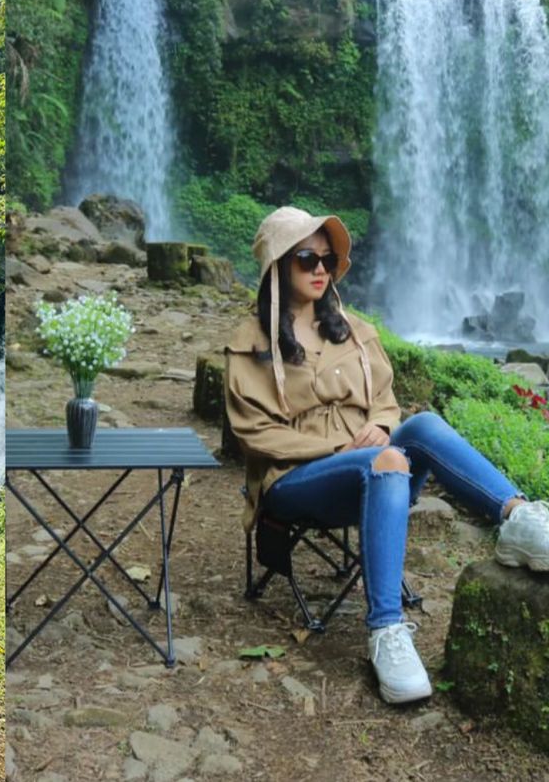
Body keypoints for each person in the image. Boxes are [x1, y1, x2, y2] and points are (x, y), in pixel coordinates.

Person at [225, 206, 549, 704]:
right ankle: (386, 633)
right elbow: (256, 434)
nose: (319, 269)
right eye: (305, 258)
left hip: (374, 471)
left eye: (327, 260)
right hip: (293, 483)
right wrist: (342, 445)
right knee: (388, 460)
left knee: (423, 427)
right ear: (277, 268)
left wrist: (378, 426)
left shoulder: (353, 331)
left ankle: (518, 519)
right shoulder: (252, 345)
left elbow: (385, 401)